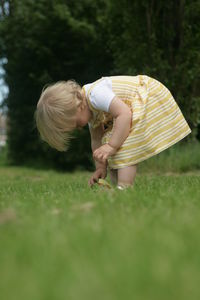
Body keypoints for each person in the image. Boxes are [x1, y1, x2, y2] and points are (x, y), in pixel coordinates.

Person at [35, 75, 192, 189]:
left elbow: (124, 113)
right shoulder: (89, 111)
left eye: (75, 123)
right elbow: (96, 140)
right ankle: (118, 186)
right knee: (110, 143)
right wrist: (100, 167)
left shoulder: (96, 94)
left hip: (148, 95)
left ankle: (125, 188)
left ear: (77, 106)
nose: (78, 127)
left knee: (121, 146)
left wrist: (112, 146)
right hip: (129, 110)